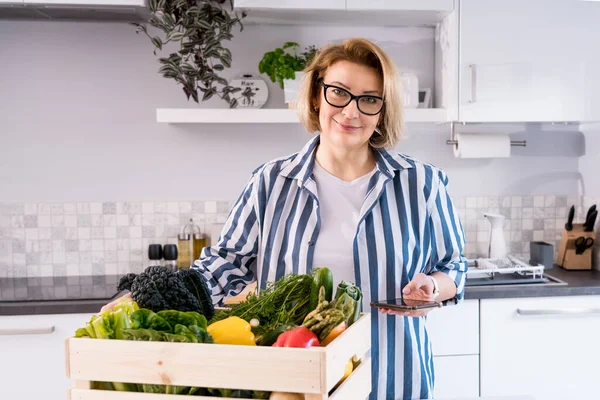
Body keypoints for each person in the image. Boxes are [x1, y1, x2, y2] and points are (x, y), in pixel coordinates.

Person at [103, 38, 468, 400]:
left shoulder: (421, 183)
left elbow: (455, 266)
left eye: (369, 99)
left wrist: (433, 286)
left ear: (383, 111)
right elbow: (224, 265)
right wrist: (147, 298)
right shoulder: (270, 182)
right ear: (315, 96)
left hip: (394, 377)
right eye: (338, 92)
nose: (351, 111)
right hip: (294, 379)